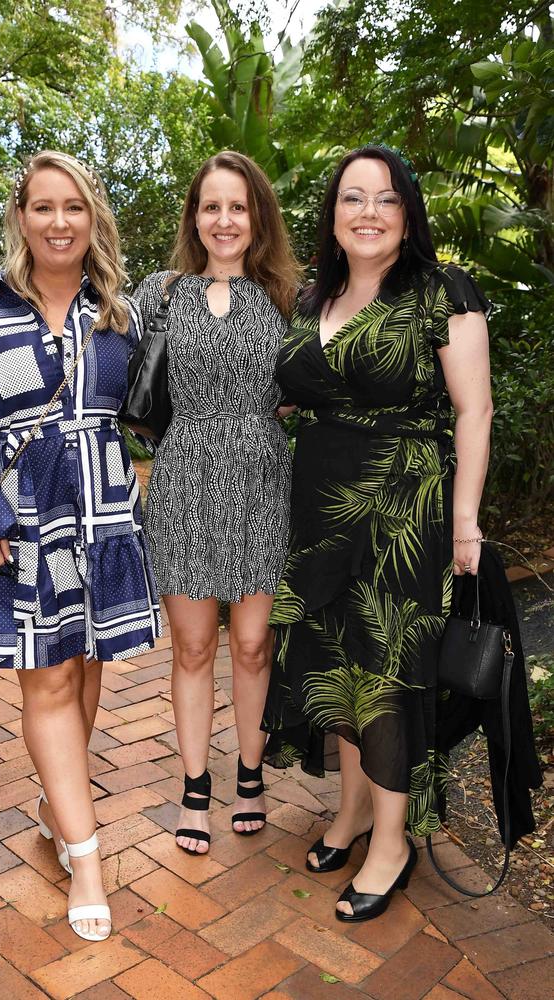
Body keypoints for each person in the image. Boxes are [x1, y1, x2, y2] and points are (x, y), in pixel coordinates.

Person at [0, 150, 161, 941]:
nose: (60, 222)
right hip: (21, 517)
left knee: (85, 670)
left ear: (94, 219)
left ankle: (61, 806)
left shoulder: (117, 315)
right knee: (48, 680)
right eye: (44, 207)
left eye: (75, 207)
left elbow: (149, 412)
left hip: (102, 507)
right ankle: (85, 858)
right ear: (21, 219)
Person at [261, 144, 493, 922]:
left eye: (386, 198)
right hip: (319, 503)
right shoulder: (309, 298)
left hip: (404, 505)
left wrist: (464, 520)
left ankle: (393, 842)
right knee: (337, 662)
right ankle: (355, 813)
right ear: (332, 214)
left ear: (408, 213)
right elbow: (295, 397)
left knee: (388, 670)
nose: (368, 212)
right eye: (352, 197)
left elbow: (475, 411)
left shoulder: (439, 290)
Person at [133, 150, 300, 855]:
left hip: (264, 477)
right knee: (195, 646)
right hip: (183, 477)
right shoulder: (161, 293)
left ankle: (253, 774)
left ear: (256, 216)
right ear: (194, 218)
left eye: (238, 206)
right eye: (211, 207)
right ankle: (196, 787)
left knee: (255, 645)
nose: (224, 220)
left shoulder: (292, 295)